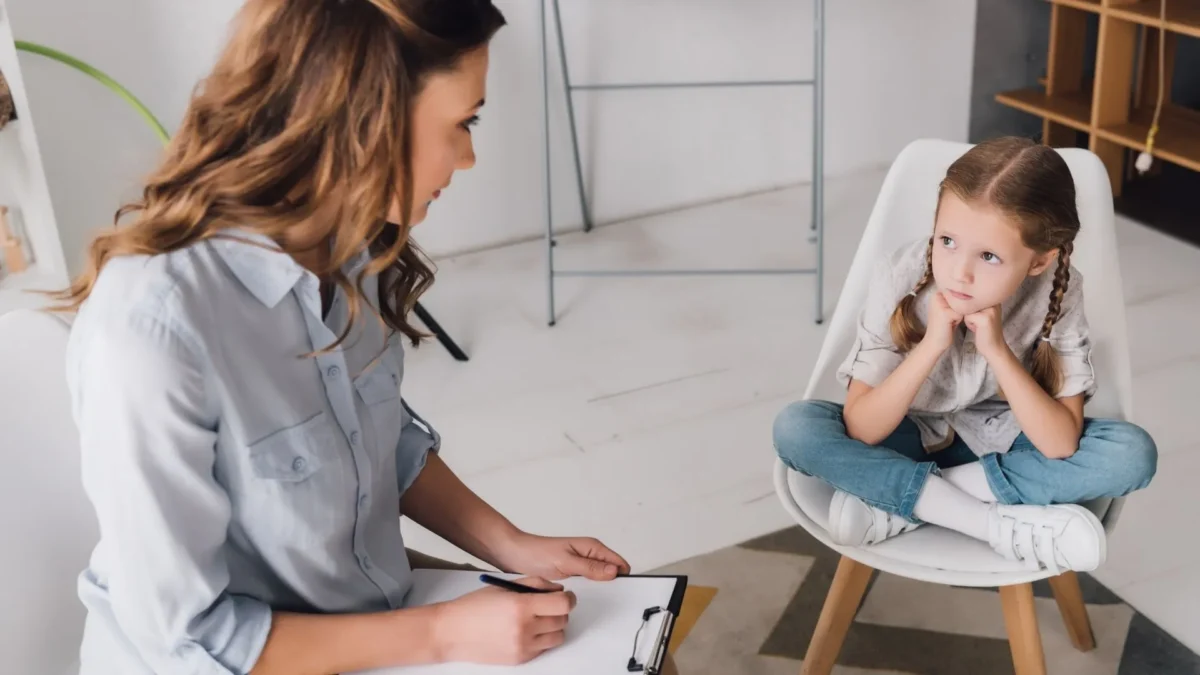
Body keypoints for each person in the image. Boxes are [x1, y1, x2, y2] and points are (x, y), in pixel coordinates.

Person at [54, 1, 645, 673]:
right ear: (366, 118)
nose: (468, 157)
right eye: (464, 123)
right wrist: (443, 633)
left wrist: (510, 544)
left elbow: (378, 443)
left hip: (363, 619)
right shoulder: (152, 332)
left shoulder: (348, 247)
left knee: (633, 640)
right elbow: (192, 640)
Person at [773, 137, 1157, 574]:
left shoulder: (1058, 289)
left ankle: (900, 503)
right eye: (947, 241)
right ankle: (987, 523)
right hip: (905, 438)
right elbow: (861, 428)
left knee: (1131, 455)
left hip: (1005, 449)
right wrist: (931, 345)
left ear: (1038, 261)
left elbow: (1059, 443)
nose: (959, 272)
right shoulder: (900, 274)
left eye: (989, 256)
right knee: (796, 428)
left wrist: (998, 351)